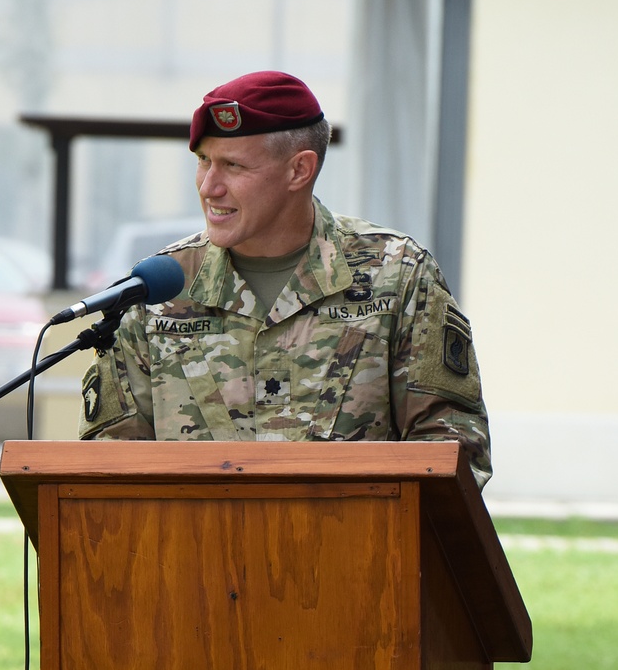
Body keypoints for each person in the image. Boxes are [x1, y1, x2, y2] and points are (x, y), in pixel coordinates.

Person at [78, 70, 491, 487]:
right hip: (194, 549)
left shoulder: (397, 274)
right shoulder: (159, 290)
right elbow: (107, 469)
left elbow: (451, 453)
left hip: (356, 549)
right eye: (203, 160)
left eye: (233, 165)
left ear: (299, 171)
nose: (209, 186)